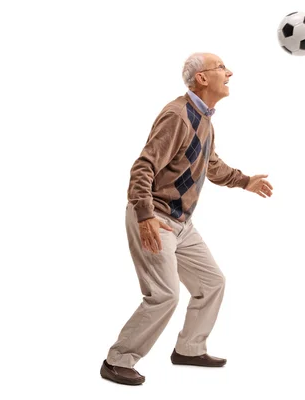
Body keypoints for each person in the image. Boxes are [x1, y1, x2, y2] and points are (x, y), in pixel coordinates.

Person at [100, 52, 274, 385]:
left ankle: (189, 349)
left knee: (212, 283)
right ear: (201, 78)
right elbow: (143, 167)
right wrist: (144, 215)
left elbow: (211, 164)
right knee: (165, 294)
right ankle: (118, 360)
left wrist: (245, 181)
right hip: (156, 219)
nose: (230, 72)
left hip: (182, 224)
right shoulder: (178, 115)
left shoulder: (203, 119)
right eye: (222, 67)